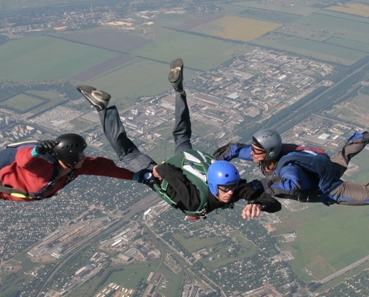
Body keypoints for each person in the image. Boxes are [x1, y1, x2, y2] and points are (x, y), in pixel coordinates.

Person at [77, 58, 280, 220]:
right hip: (164, 175)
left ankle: (179, 90)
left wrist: (258, 203)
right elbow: (169, 173)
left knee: (182, 137)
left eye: (232, 187)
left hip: (186, 161)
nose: (229, 192)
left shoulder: (234, 188)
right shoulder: (193, 201)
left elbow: (274, 204)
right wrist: (155, 171)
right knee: (128, 154)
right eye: (225, 189)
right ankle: (103, 109)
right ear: (212, 185)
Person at [0, 95, 142, 208]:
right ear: (69, 159)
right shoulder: (44, 169)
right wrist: (35, 151)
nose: (84, 158)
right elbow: (24, 161)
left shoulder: (74, 168)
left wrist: (136, 176)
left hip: (6, 169)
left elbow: (104, 168)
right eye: (80, 155)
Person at [213, 125, 369, 206]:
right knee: (341, 158)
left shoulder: (287, 167)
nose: (252, 154)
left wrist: (257, 187)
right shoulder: (272, 153)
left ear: (270, 153)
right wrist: (216, 163)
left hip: (327, 186)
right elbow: (237, 149)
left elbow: (292, 185)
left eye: (258, 151)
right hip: (320, 167)